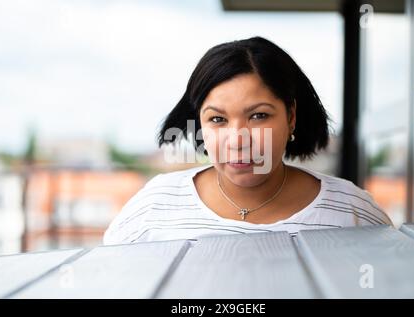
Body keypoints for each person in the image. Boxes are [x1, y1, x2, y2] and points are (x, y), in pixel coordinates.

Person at [104, 36, 392, 245]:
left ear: (291, 116)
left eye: (258, 116)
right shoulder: (153, 208)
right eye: (217, 120)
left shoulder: (352, 212)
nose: (237, 141)